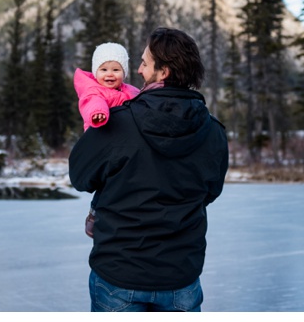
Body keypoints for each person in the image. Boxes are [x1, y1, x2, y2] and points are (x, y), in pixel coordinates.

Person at [69, 27, 229, 312]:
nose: (138, 71)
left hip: (120, 274)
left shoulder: (117, 124)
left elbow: (80, 176)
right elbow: (210, 192)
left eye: (144, 63)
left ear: (163, 72)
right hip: (181, 276)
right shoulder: (213, 131)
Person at [73, 42, 140, 238]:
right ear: (95, 72)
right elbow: (91, 104)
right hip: (100, 140)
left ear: (124, 72)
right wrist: (98, 114)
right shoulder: (94, 91)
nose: (110, 74)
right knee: (105, 183)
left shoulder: (129, 91)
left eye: (116, 69)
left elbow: (140, 100)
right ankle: (95, 213)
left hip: (121, 145)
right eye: (104, 69)